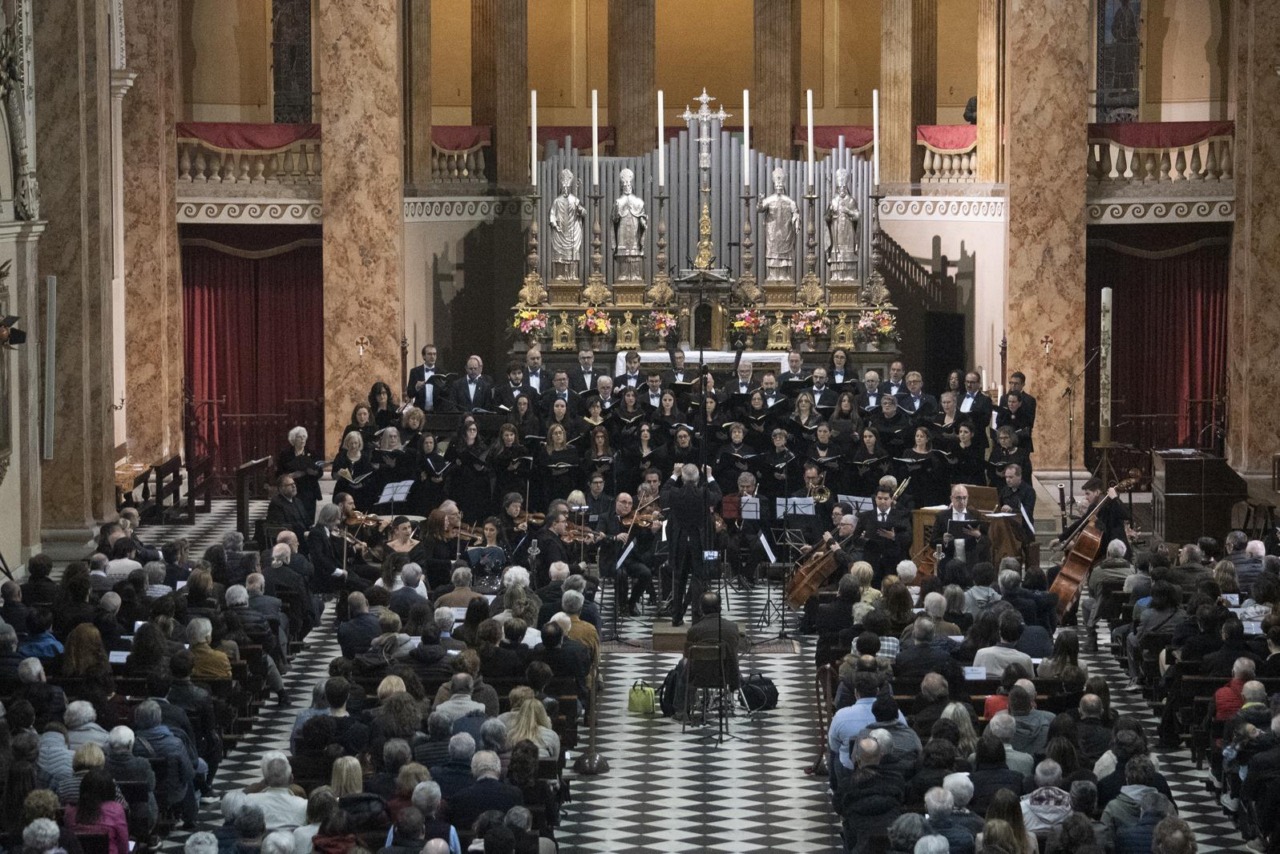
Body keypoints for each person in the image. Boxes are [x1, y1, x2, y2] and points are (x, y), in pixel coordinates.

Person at [661, 464, 722, 626]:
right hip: (698, 543)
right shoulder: (703, 493)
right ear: (697, 479)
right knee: (698, 579)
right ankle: (696, 617)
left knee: (678, 579)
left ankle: (676, 617)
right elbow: (717, 495)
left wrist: (674, 474)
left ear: (682, 477)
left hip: (680, 542)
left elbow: (663, 493)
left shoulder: (675, 493)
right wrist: (709, 475)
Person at [758, 168, 800, 282]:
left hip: (786, 232)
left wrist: (796, 223)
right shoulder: (769, 200)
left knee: (785, 254)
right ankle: (773, 275)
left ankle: (785, 275)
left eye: (781, 183)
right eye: (777, 183)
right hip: (772, 233)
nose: (779, 185)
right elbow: (760, 209)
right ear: (774, 184)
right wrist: (760, 200)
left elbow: (795, 213)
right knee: (773, 253)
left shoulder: (789, 201)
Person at [549, 168, 586, 280]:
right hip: (560, 231)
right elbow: (552, 215)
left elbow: (584, 213)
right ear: (561, 188)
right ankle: (560, 274)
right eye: (563, 188)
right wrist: (555, 225)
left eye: (567, 188)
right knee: (559, 252)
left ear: (569, 188)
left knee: (572, 251)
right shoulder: (557, 201)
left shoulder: (575, 200)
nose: (565, 190)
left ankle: (572, 274)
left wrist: (579, 209)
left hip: (572, 231)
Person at [825, 168, 860, 281]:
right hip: (836, 230)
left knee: (847, 251)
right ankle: (837, 274)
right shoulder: (833, 201)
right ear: (837, 188)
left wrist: (848, 211)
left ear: (846, 188)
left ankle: (848, 274)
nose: (842, 190)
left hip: (848, 231)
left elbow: (857, 216)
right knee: (836, 251)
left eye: (844, 188)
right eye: (840, 188)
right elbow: (826, 217)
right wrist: (829, 213)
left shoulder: (851, 201)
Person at [611, 169, 646, 281]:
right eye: (624, 184)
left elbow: (642, 217)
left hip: (635, 233)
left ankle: (635, 274)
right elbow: (614, 221)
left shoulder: (638, 202)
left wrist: (643, 222)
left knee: (634, 255)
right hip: (622, 233)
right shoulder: (618, 202)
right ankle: (624, 274)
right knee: (624, 256)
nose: (626, 186)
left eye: (628, 184)